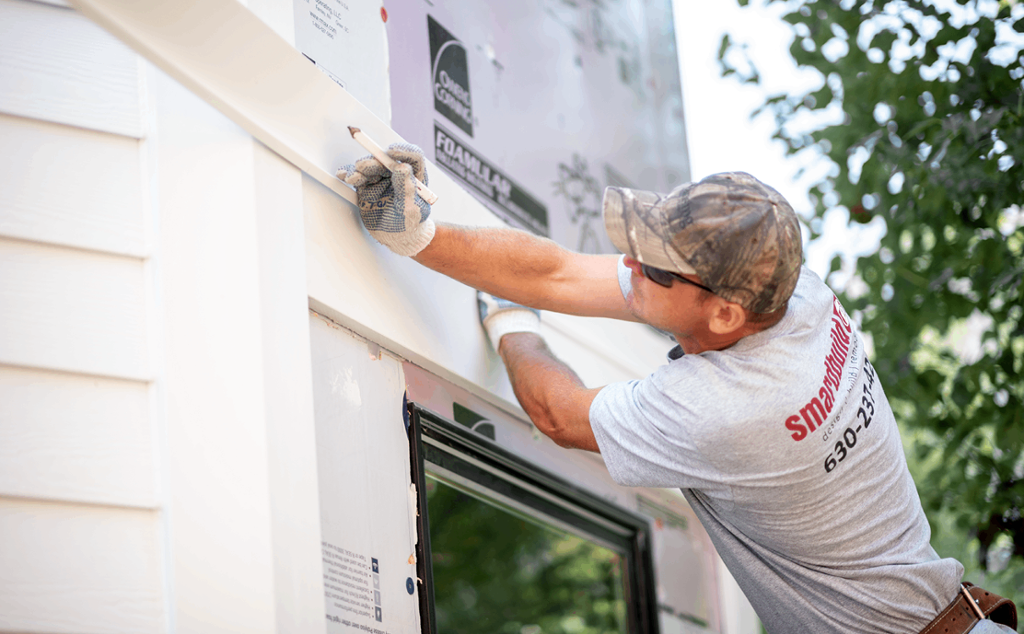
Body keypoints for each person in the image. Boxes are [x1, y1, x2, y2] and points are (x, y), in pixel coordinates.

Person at [337, 146, 1017, 634]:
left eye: (655, 268)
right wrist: (422, 235)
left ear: (723, 314)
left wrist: (508, 320)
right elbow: (561, 273)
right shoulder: (790, 295)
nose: (631, 264)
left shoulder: (737, 407)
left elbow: (557, 413)